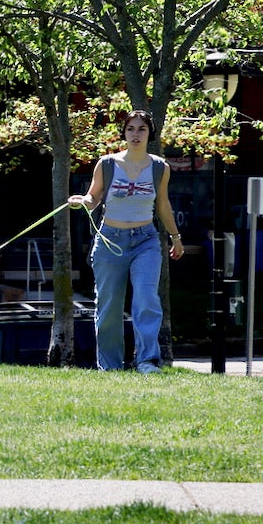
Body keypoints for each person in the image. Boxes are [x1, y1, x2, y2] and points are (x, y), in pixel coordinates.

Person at [71, 109, 183, 372]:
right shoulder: (108, 164)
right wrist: (83, 202)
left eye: (141, 129)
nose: (136, 134)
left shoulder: (159, 168)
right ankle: (110, 367)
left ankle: (147, 361)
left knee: (146, 299)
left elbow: (163, 205)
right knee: (109, 308)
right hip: (111, 240)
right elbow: (94, 197)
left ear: (149, 134)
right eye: (131, 129)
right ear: (124, 132)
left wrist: (175, 237)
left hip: (146, 241)